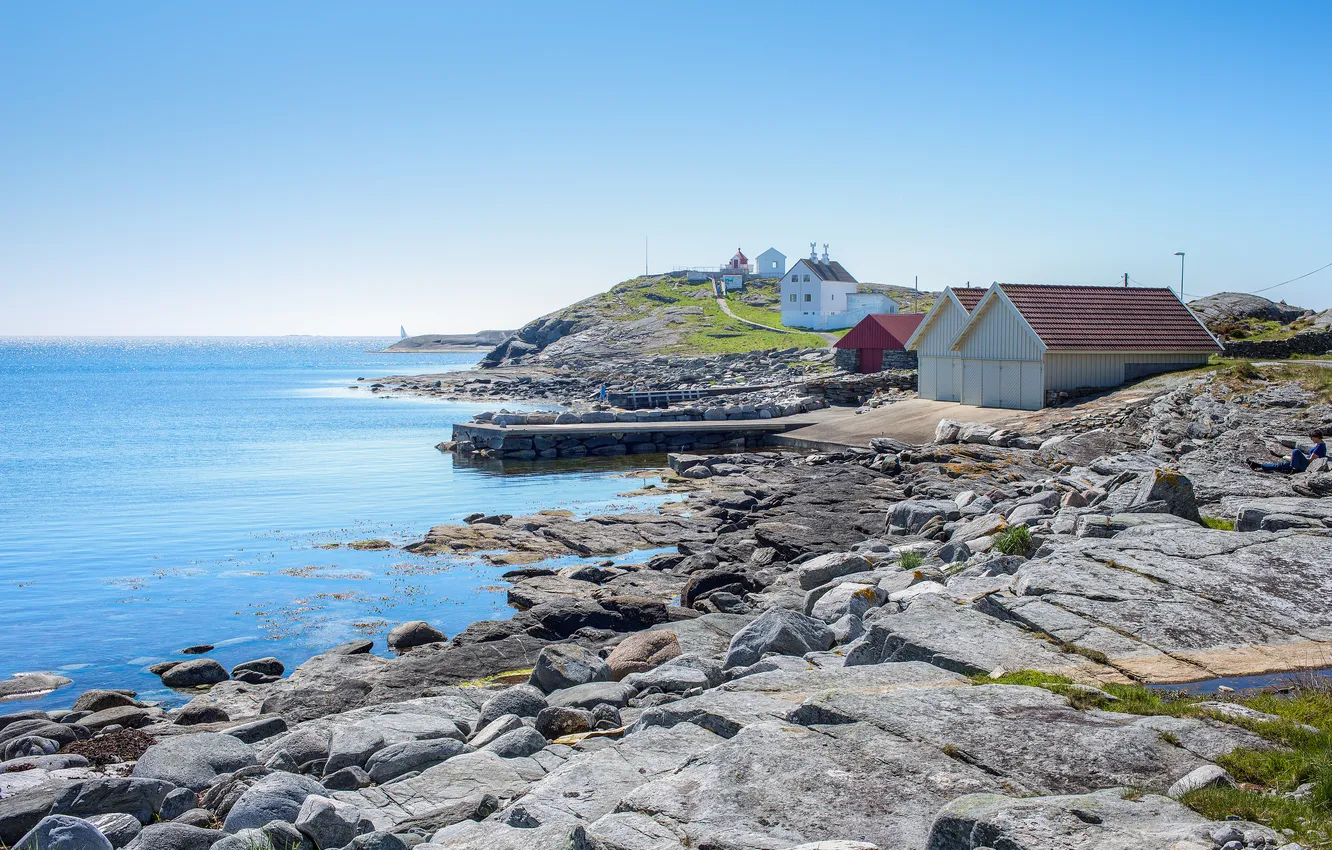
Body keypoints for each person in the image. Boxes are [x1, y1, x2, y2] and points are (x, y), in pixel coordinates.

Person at [1249, 431, 1326, 473]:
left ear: (1316, 437)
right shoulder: (1320, 445)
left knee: (1296, 451)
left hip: (1307, 466)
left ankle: (1293, 468)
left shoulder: (1320, 447)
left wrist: (1297, 458)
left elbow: (1311, 460)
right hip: (1303, 463)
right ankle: (1259, 466)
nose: (1311, 439)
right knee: (1281, 465)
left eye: (1312, 437)